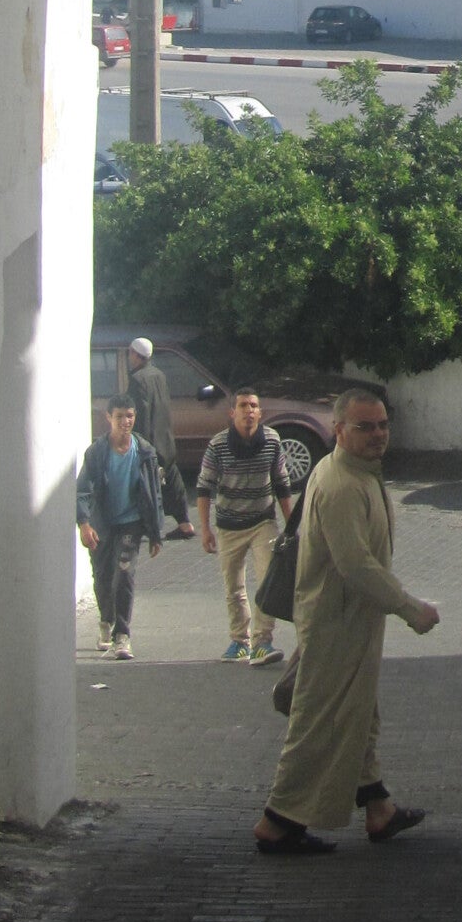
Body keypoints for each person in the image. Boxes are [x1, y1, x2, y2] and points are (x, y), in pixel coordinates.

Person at [253, 391, 439, 857]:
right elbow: (355, 565)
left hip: (350, 619)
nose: (378, 435)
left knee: (357, 713)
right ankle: (278, 820)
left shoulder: (356, 472)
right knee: (319, 721)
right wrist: (410, 608)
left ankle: (378, 806)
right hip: (336, 622)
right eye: (364, 427)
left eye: (382, 425)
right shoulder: (341, 484)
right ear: (338, 430)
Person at [196, 388, 297, 666]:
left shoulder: (272, 440)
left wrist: (291, 526)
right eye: (243, 406)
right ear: (233, 413)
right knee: (234, 587)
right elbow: (204, 488)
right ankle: (240, 641)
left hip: (263, 521)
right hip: (229, 525)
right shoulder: (218, 445)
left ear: (260, 413)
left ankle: (262, 641)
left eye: (253, 406)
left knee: (267, 581)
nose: (248, 411)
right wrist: (205, 529)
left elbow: (282, 484)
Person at [75, 395, 164, 659]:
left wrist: (156, 533)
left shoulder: (145, 451)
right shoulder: (97, 452)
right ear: (109, 418)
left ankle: (122, 635)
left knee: (124, 574)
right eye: (119, 417)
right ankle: (106, 620)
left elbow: (154, 493)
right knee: (103, 576)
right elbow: (83, 489)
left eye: (130, 416)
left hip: (131, 523)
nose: (125, 422)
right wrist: (84, 523)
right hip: (102, 524)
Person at [122, 337, 195, 538]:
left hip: (150, 440)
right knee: (172, 480)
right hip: (165, 438)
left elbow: (140, 414)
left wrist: (138, 442)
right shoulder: (159, 374)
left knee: (145, 485)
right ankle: (185, 524)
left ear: (135, 354)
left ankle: (148, 527)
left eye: (130, 353)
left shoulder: (137, 379)